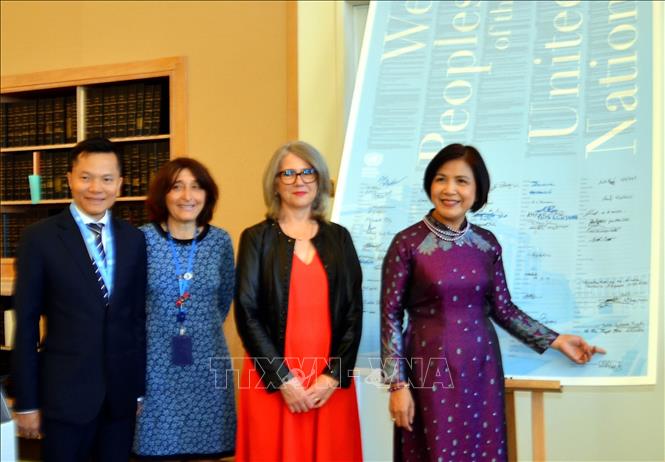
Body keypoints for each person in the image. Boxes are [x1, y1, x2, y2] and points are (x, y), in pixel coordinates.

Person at [381, 144, 606, 462]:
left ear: (477, 190)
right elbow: (390, 315)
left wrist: (555, 340)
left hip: (481, 370)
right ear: (430, 183)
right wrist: (396, 384)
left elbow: (503, 309)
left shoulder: (487, 244)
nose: (449, 190)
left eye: (461, 181)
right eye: (441, 179)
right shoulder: (407, 243)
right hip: (430, 369)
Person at [11, 137, 147, 461]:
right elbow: (26, 325)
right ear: (70, 178)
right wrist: (26, 402)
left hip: (119, 399)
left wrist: (137, 390)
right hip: (64, 398)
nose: (96, 188)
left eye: (107, 178)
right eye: (86, 177)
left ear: (120, 184)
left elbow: (136, 320)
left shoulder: (134, 239)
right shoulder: (39, 238)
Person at [234, 141, 363, 461]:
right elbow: (247, 313)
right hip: (271, 378)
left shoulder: (340, 238)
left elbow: (353, 312)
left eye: (308, 172)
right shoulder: (256, 238)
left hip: (328, 381)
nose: (299, 181)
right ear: (275, 183)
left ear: (319, 179)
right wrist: (283, 379)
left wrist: (332, 376)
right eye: (288, 173)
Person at [132, 158, 236, 460]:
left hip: (208, 364)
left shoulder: (220, 241)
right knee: (155, 448)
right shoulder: (141, 239)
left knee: (208, 451)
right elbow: (131, 307)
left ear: (207, 194)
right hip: (154, 367)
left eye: (196, 187)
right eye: (177, 187)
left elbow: (223, 300)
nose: (187, 196)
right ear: (163, 194)